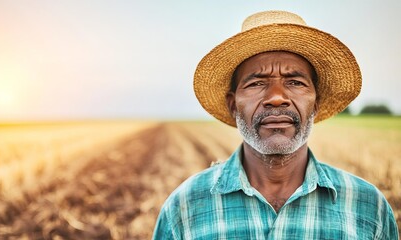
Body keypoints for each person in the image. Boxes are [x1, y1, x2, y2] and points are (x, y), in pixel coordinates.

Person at [153, 10, 399, 239]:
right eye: (257, 83)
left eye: (295, 82)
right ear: (232, 104)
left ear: (315, 104)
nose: (276, 97)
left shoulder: (369, 207)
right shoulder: (184, 208)